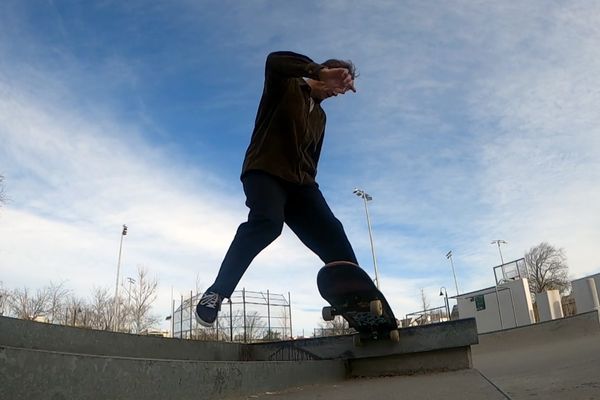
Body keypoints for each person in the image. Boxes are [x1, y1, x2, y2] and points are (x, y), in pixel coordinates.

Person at [195, 51, 359, 327]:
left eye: (343, 87)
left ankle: (358, 300)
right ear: (326, 71)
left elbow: (313, 157)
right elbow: (274, 60)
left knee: (332, 231)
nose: (338, 92)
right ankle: (216, 292)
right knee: (268, 222)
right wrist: (316, 70)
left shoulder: (321, 116)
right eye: (337, 82)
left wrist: (310, 194)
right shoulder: (286, 84)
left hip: (301, 185)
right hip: (265, 172)